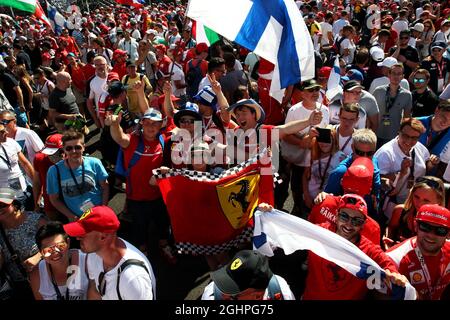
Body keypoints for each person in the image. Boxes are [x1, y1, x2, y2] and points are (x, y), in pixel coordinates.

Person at [303, 194, 408, 300]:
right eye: (344, 216)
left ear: (364, 224)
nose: (349, 224)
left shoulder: (368, 250)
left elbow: (386, 263)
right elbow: (294, 230)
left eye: (356, 221)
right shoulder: (319, 232)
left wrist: (394, 274)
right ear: (336, 215)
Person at [63, 205, 156, 300]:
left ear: (103, 237)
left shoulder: (133, 279)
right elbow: (95, 290)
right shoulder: (94, 254)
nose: (77, 238)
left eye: (83, 234)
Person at [310, 157, 381, 245]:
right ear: (369, 190)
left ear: (342, 181)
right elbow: (371, 256)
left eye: (356, 221)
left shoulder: (323, 202)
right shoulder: (373, 228)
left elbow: (309, 230)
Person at [387, 204, 450, 300]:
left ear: (448, 234)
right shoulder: (393, 258)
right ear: (415, 226)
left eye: (440, 230)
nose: (431, 235)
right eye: (425, 226)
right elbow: (379, 295)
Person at [46, 130, 109, 221]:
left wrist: (104, 209)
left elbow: (105, 187)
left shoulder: (94, 163)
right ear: (63, 149)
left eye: (78, 147)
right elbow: (54, 199)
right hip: (77, 218)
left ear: (84, 147)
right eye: (69, 148)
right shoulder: (54, 171)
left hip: (99, 213)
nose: (74, 151)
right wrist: (72, 216)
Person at [0, 187, 47, 299]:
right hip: (18, 288)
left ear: (15, 205)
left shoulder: (36, 221)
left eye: (3, 205)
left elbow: (58, 243)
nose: (0, 209)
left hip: (45, 279)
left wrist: (38, 256)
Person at [374, 118, 434, 205]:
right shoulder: (385, 153)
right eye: (405, 136)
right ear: (399, 132)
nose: (409, 141)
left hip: (414, 202)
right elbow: (379, 181)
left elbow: (425, 167)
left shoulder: (420, 148)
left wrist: (432, 163)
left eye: (414, 138)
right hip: (391, 205)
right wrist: (401, 173)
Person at [202, 249, 295, 300]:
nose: (223, 296)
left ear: (258, 296)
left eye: (233, 297)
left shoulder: (280, 290)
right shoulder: (212, 295)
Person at [29, 221, 89, 300]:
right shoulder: (37, 274)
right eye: (48, 250)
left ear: (68, 242)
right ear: (41, 253)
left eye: (60, 246)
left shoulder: (86, 261)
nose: (55, 253)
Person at [385, 176, 446, 249]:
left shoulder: (444, 224)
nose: (419, 203)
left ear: (439, 201)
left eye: (426, 200)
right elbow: (391, 228)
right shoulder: (400, 211)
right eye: (416, 197)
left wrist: (410, 246)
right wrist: (388, 242)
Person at [372, 63, 412, 147]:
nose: (396, 76)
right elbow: (371, 112)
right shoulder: (378, 91)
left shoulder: (407, 95)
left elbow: (407, 117)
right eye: (393, 73)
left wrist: (404, 134)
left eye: (399, 74)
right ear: (388, 75)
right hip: (376, 133)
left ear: (402, 76)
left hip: (394, 135)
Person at [32, 134, 65, 222]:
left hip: (73, 201)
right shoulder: (39, 159)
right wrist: (36, 202)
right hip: (51, 204)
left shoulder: (72, 158)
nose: (52, 156)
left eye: (56, 152)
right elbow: (37, 182)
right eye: (50, 152)